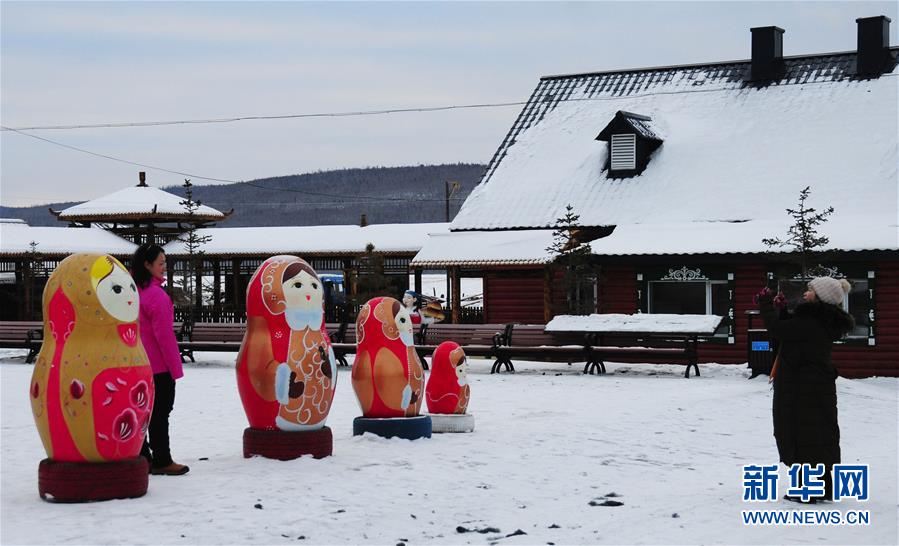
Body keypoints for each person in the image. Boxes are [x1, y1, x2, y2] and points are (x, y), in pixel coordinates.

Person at [756, 276, 853, 503]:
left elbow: (779, 330)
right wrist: (780, 309)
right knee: (820, 435)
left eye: (810, 291)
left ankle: (807, 490)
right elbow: (790, 332)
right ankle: (825, 486)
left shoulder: (811, 321)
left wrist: (765, 304)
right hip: (815, 385)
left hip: (802, 386)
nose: (805, 294)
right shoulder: (821, 320)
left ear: (820, 297)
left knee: (803, 435)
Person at [132, 243, 190, 476]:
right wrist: (175, 370)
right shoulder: (157, 296)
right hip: (158, 367)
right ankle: (162, 459)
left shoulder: (131, 291)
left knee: (140, 412)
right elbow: (165, 337)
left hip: (135, 364)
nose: (165, 267)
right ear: (148, 265)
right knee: (160, 413)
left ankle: (142, 455)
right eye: (161, 263)